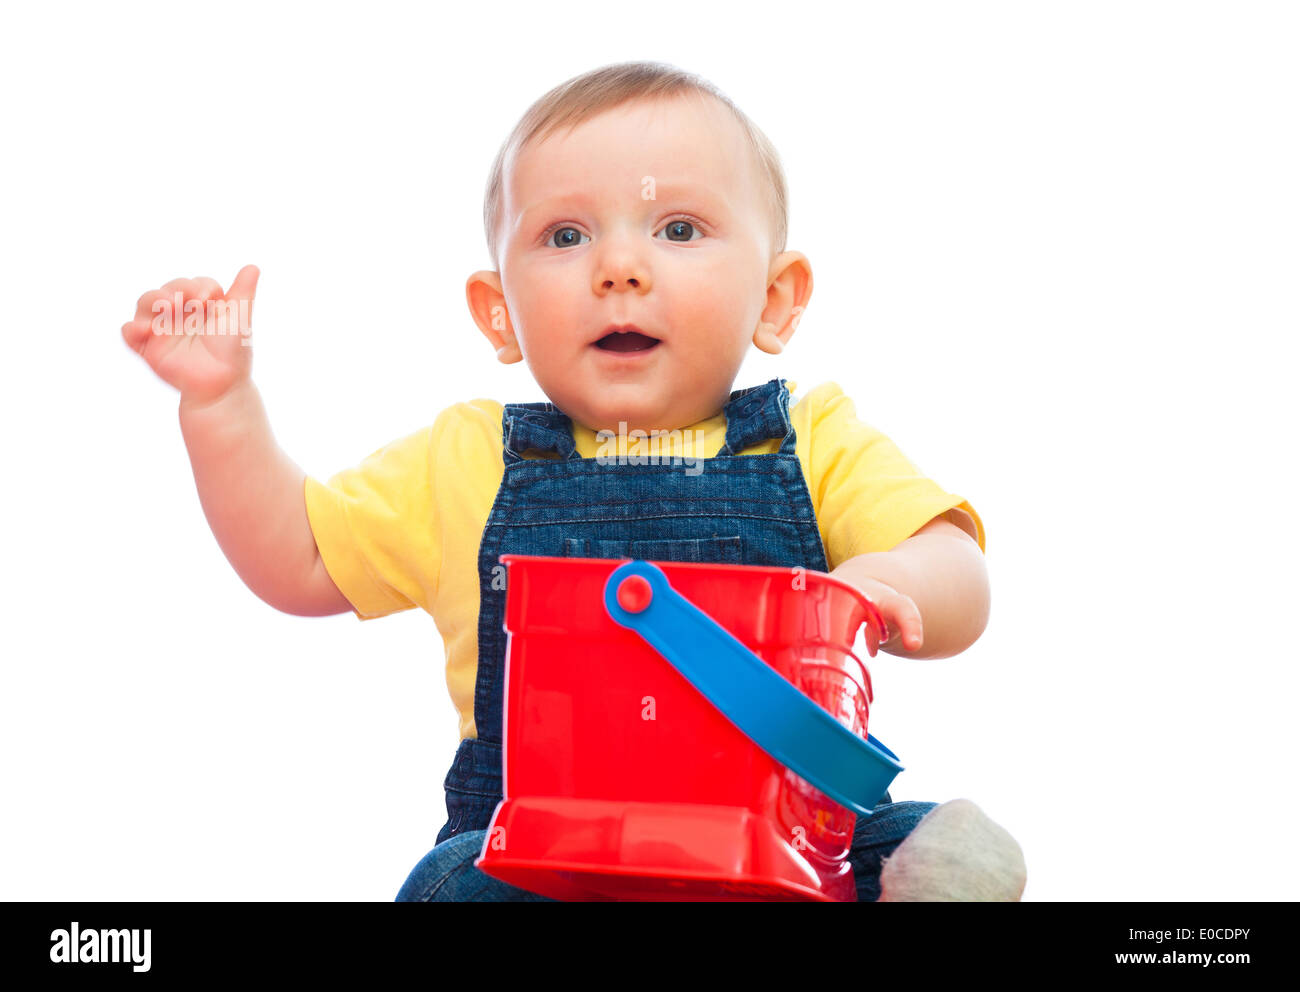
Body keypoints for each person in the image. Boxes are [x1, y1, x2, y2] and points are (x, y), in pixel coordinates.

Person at [121, 60, 1026, 902]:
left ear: (775, 300)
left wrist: (894, 583)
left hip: (794, 838)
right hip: (539, 855)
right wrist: (221, 406)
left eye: (678, 229)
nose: (619, 269)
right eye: (564, 235)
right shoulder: (468, 460)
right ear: (499, 313)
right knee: (453, 883)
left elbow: (954, 562)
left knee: (906, 842)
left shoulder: (811, 440)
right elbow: (302, 559)